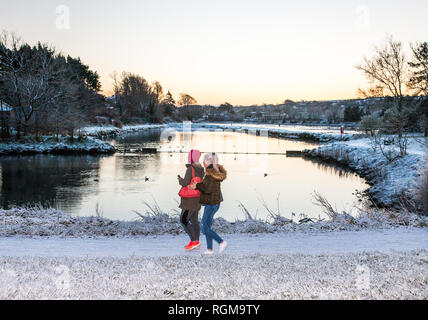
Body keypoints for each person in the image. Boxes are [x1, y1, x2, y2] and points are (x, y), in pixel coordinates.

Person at [189, 153, 228, 255]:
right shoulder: (214, 172)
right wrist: (198, 185)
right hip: (214, 202)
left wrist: (196, 186)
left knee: (203, 227)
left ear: (209, 162)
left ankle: (221, 242)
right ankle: (210, 249)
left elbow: (207, 189)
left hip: (212, 203)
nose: (203, 162)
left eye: (204, 161)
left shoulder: (211, 174)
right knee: (207, 226)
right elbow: (207, 186)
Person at [178, 149, 205, 251]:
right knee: (194, 221)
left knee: (183, 220)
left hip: (190, 200)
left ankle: (194, 241)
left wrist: (180, 180)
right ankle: (196, 242)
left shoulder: (190, 169)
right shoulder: (201, 169)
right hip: (198, 198)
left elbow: (185, 183)